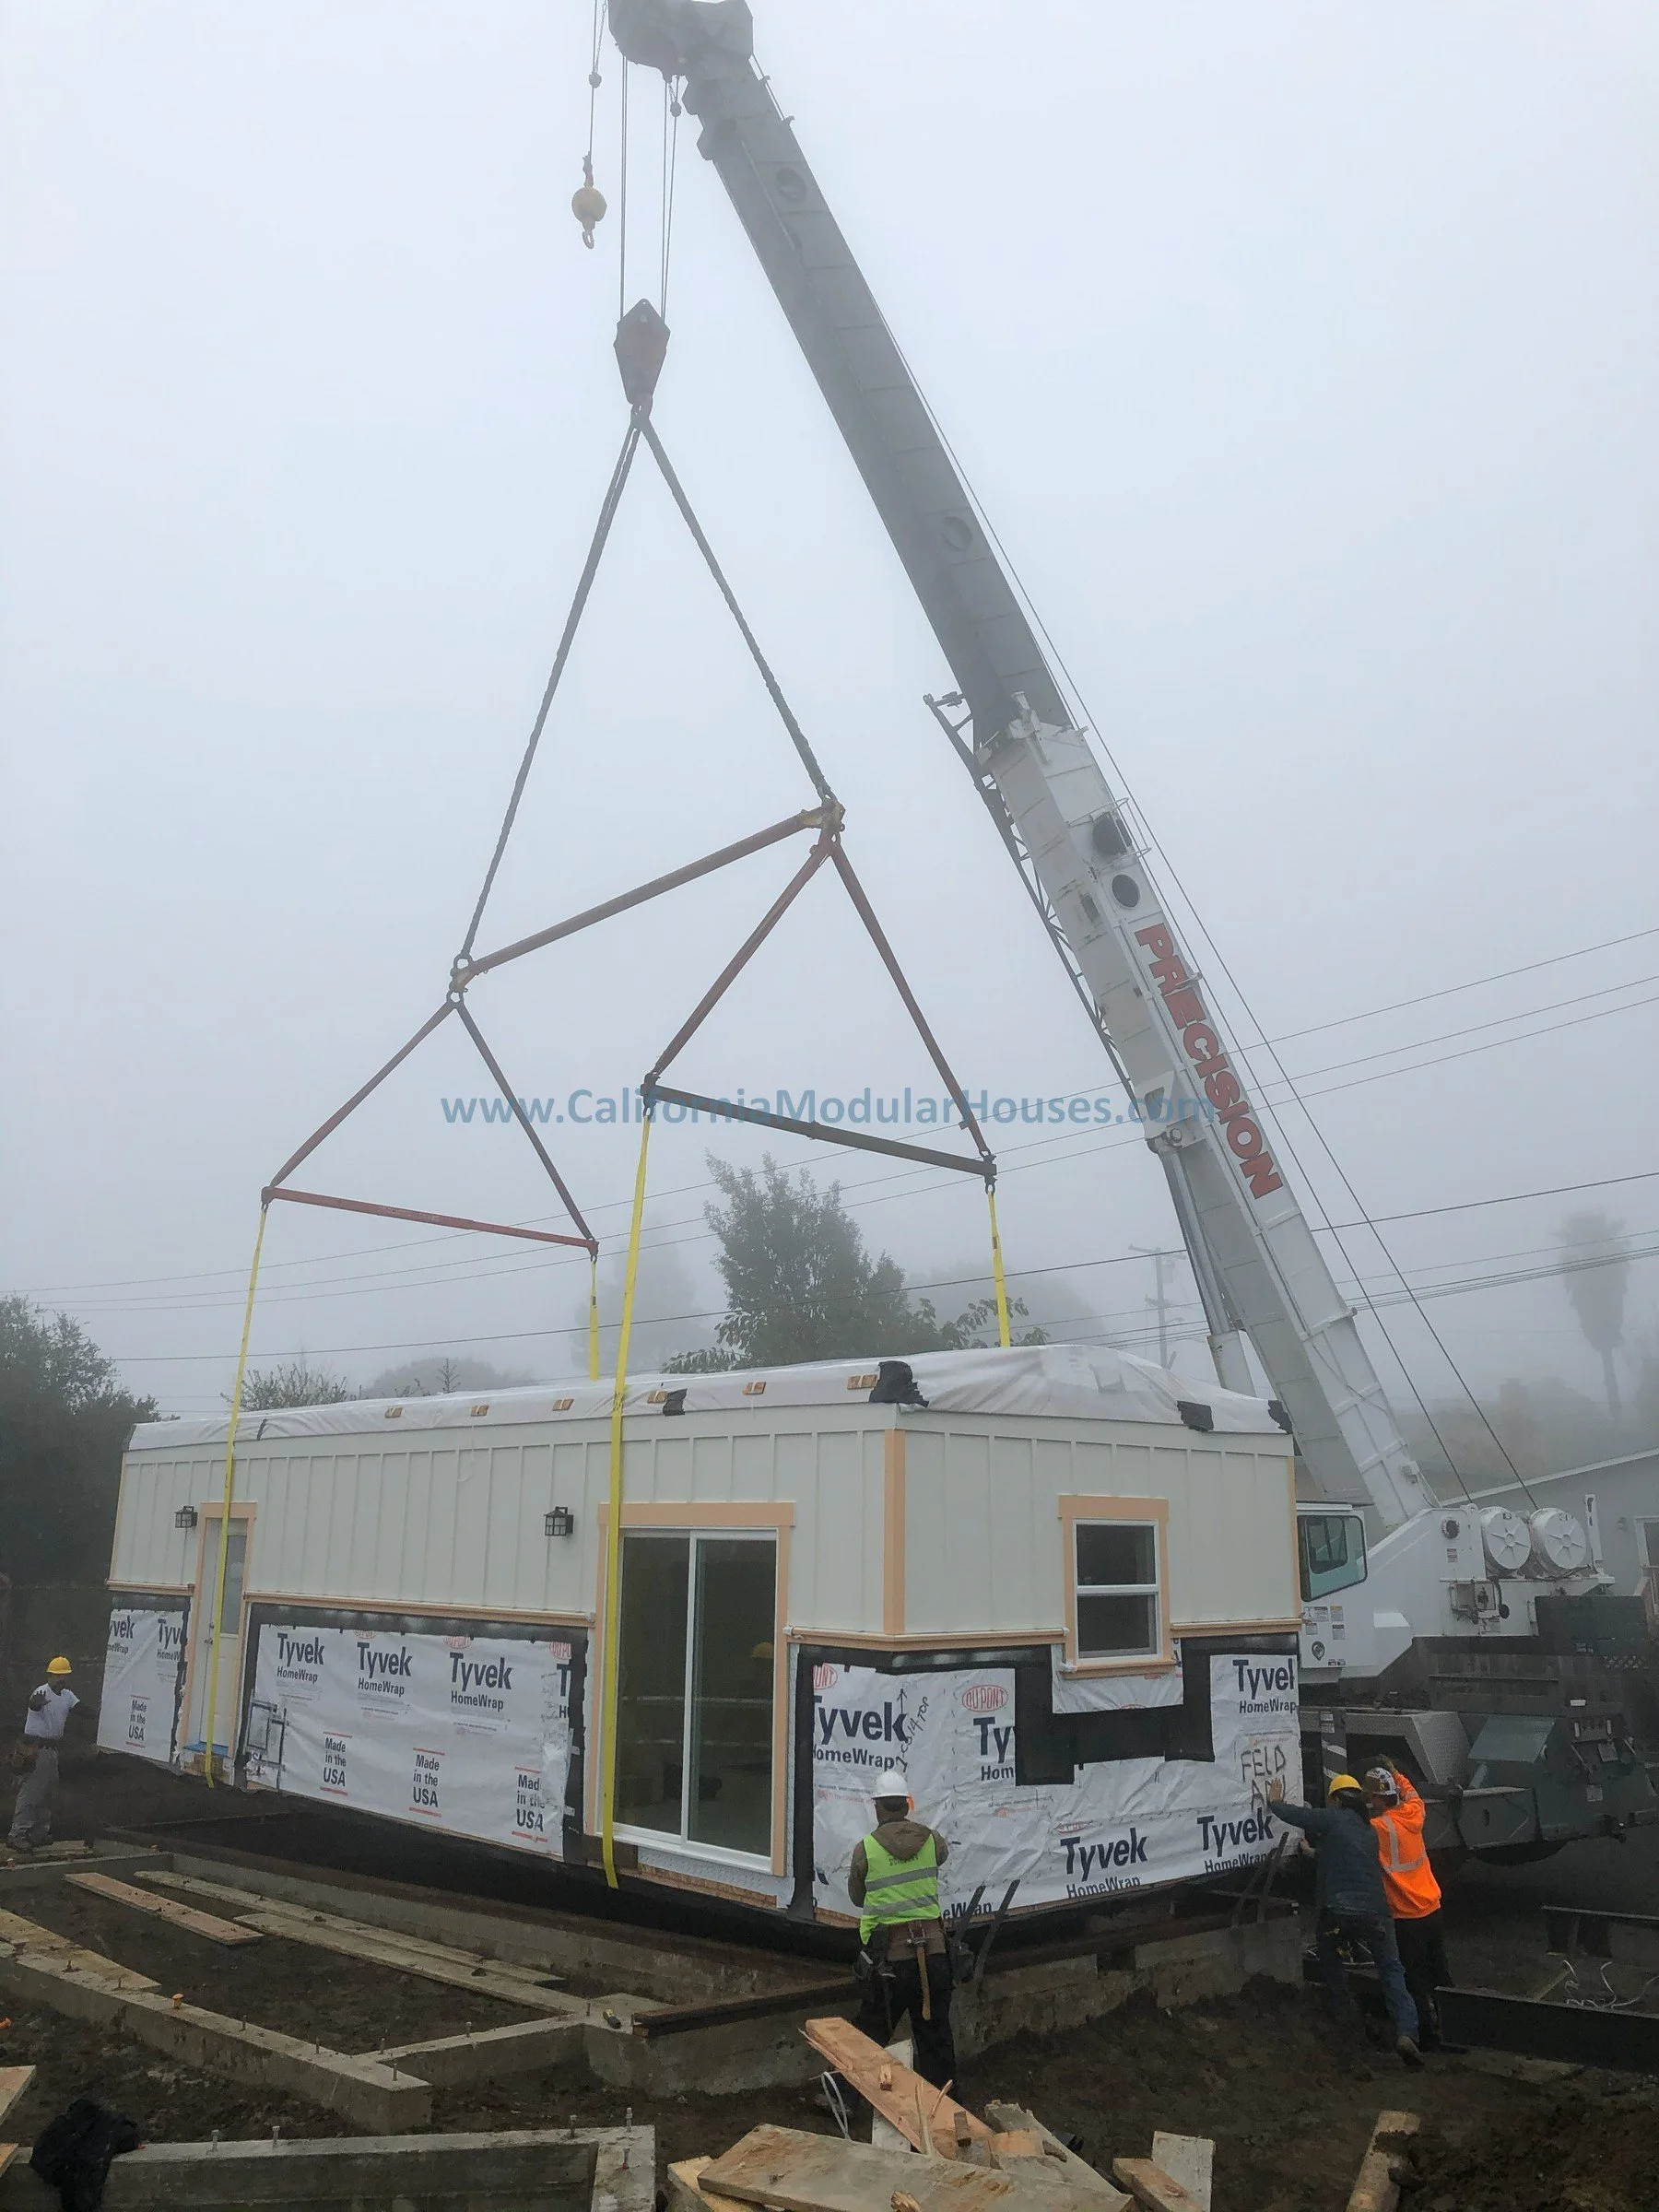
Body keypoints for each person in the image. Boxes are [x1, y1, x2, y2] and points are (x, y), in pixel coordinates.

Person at [1266, 1771, 1421, 2066]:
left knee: (1329, 1956)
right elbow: (1346, 1856)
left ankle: (1343, 2015)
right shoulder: (1368, 1829)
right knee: (1391, 1970)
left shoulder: (1333, 1818)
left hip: (1338, 1912)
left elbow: (1298, 1816)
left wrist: (1275, 1802)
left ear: (1336, 1799)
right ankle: (1406, 2033)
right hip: (1377, 1914)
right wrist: (1315, 1853)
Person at [846, 1768, 956, 2088]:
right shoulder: (933, 1841)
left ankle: (840, 2098)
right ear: (907, 1804)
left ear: (878, 1807)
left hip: (890, 1964)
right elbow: (941, 1857)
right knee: (936, 2036)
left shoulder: (866, 1849)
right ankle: (945, 2102)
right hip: (934, 1957)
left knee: (869, 2034)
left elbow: (857, 1898)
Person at [1363, 1762, 1460, 2053]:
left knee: (1415, 1979)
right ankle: (1456, 2031)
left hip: (1406, 1917)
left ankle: (1427, 2037)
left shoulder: (1378, 1828)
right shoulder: (1414, 1813)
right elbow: (1413, 1794)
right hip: (1432, 1908)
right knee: (1440, 1972)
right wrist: (1396, 1773)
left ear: (1376, 1799)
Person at [9, 1656, 79, 1853]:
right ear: (49, 1675)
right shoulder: (41, 1692)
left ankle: (38, 1833)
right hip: (36, 1749)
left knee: (48, 1792)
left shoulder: (67, 1696)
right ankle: (17, 1835)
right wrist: (35, 1704)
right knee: (32, 1791)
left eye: (63, 1676)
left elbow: (81, 1709)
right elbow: (34, 1704)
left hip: (52, 1750)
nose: (60, 1679)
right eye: (57, 1676)